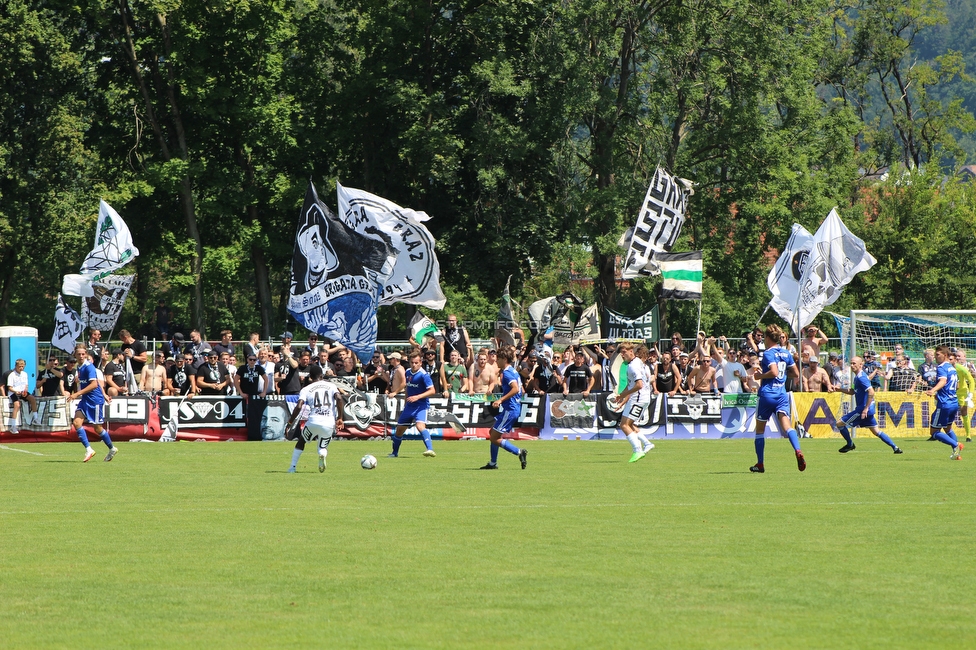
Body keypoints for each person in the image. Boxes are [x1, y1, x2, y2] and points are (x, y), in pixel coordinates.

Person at [749, 324, 805, 473]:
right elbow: (796, 373)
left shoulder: (768, 353)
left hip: (767, 394)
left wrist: (760, 376)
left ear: (767, 338)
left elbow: (773, 372)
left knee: (760, 431)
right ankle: (798, 450)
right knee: (787, 427)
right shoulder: (786, 353)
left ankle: (760, 464)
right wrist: (784, 375)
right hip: (781, 394)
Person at [835, 355, 903, 454]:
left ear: (860, 365)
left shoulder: (861, 377)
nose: (852, 365)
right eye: (851, 363)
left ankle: (850, 444)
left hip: (862, 409)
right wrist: (839, 389)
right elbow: (853, 391)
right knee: (876, 431)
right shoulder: (858, 377)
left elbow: (871, 392)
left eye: (854, 363)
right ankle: (895, 448)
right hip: (868, 409)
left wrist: (865, 409)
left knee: (839, 423)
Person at [286, 364, 345, 473]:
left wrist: (290, 423)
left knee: (301, 442)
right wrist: (340, 418)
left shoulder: (306, 389)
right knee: (322, 447)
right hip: (328, 422)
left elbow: (299, 406)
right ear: (321, 375)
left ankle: (292, 468)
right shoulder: (331, 386)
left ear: (310, 377)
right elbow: (339, 398)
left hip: (313, 421)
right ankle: (322, 454)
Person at [479, 347, 528, 470]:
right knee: (492, 433)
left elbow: (516, 388)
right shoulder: (513, 371)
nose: (496, 361)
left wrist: (501, 400)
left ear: (504, 359)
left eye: (499, 359)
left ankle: (519, 452)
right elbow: (520, 390)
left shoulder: (506, 373)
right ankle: (492, 463)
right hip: (511, 408)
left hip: (510, 410)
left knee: (494, 438)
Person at [67, 345, 118, 462]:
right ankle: (89, 449)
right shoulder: (79, 368)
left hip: (95, 400)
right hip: (85, 400)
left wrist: (76, 394)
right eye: (78, 354)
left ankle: (112, 448)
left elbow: (95, 384)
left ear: (86, 354)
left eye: (83, 354)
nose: (80, 356)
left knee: (97, 428)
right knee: (76, 422)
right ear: (75, 355)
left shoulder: (89, 367)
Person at [388, 351, 437, 458]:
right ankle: (394, 453)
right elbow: (407, 389)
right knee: (399, 430)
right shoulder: (408, 372)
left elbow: (432, 391)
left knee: (420, 426)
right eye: (412, 363)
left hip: (421, 406)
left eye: (416, 363)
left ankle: (430, 449)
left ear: (420, 363)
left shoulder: (424, 375)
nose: (414, 365)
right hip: (409, 406)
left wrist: (417, 397)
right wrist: (406, 401)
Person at [612, 343, 655, 462]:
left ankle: (638, 450)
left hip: (639, 398)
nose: (622, 354)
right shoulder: (636, 363)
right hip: (640, 398)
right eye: (621, 352)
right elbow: (631, 384)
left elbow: (639, 385)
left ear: (631, 351)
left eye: (624, 351)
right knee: (629, 424)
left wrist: (625, 395)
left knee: (624, 425)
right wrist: (621, 396)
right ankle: (646, 444)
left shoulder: (633, 366)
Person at [925, 345, 963, 460]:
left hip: (944, 404)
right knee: (948, 429)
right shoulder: (952, 368)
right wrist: (942, 392)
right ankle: (957, 454)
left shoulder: (941, 367)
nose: (936, 357)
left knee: (934, 432)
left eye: (938, 355)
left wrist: (933, 390)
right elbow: (957, 385)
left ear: (945, 355)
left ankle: (956, 445)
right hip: (953, 403)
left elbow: (943, 381)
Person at [6, 359, 39, 432]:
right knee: (17, 405)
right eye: (19, 366)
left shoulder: (24, 374)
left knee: (32, 399)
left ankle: (36, 418)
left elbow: (26, 385)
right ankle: (13, 426)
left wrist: (25, 391)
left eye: (22, 366)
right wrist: (16, 391)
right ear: (16, 366)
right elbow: (9, 387)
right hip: (13, 392)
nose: (21, 368)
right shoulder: (12, 375)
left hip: (22, 392)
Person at [951, 349, 975, 443]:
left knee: (963, 412)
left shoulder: (963, 368)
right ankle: (936, 433)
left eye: (959, 356)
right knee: (945, 410)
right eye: (956, 356)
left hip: (962, 392)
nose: (957, 357)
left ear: (964, 357)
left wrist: (970, 394)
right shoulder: (950, 367)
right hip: (951, 392)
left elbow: (971, 380)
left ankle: (968, 435)